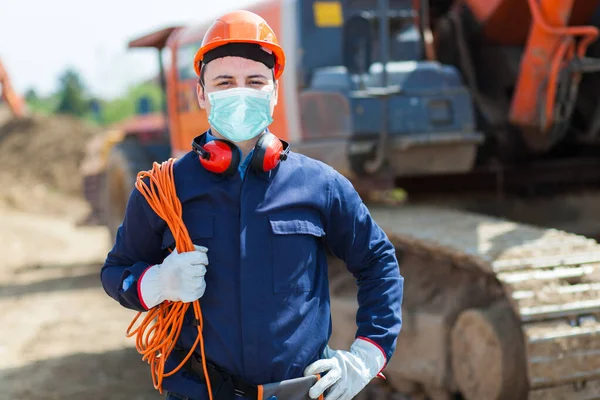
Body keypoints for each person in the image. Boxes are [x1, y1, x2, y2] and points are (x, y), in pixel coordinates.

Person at [100, 9, 404, 400]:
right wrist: (155, 283)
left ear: (274, 91)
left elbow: (378, 263)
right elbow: (116, 271)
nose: (240, 92)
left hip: (302, 394)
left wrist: (367, 355)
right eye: (225, 82)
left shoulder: (321, 185)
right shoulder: (164, 189)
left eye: (255, 81)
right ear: (201, 93)